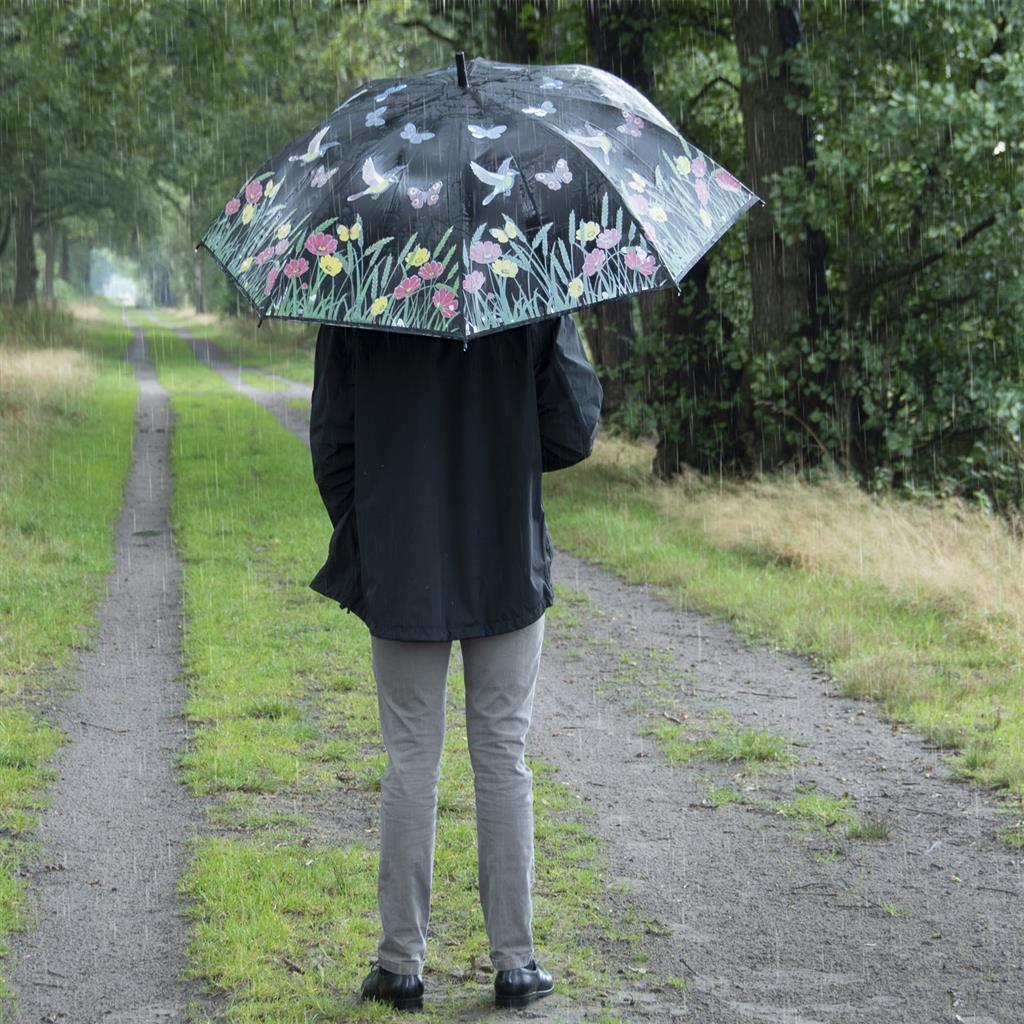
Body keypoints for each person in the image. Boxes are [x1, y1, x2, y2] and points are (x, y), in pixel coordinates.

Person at [308, 312, 603, 1012]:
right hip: (504, 550)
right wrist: (505, 450)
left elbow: (332, 439)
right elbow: (574, 425)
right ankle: (516, 963)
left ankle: (401, 966)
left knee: (411, 756)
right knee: (502, 754)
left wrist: (374, 522)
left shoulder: (361, 284)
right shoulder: (527, 280)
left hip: (401, 552)